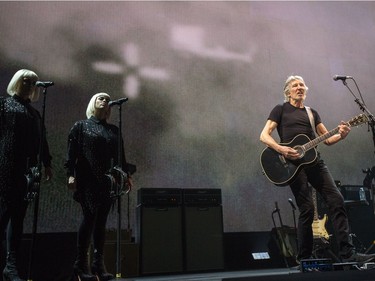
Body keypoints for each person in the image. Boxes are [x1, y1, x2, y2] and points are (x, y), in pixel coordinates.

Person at [260, 75, 375, 263]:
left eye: (302, 85)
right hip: (292, 165)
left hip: (314, 162)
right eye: (295, 85)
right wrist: (282, 149)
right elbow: (264, 135)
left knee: (336, 199)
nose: (299, 87)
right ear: (288, 91)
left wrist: (342, 135)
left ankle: (348, 254)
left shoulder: (312, 112)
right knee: (306, 208)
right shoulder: (280, 110)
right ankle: (304, 258)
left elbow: (328, 139)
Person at [65, 93, 133, 281]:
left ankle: (98, 265)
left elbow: (121, 155)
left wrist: (126, 175)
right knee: (89, 218)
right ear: (92, 103)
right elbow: (72, 154)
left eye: (107, 99)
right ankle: (80, 266)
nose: (105, 100)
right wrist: (71, 174)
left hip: (107, 181)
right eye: (101, 98)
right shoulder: (81, 126)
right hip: (88, 180)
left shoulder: (113, 130)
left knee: (101, 222)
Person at [0, 69, 53, 281]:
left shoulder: (34, 114)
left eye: (33, 82)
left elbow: (42, 141)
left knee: (17, 218)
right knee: (3, 214)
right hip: (4, 166)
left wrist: (47, 163)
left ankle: (10, 267)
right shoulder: (3, 105)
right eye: (26, 80)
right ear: (16, 82)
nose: (31, 85)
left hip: (25, 172)